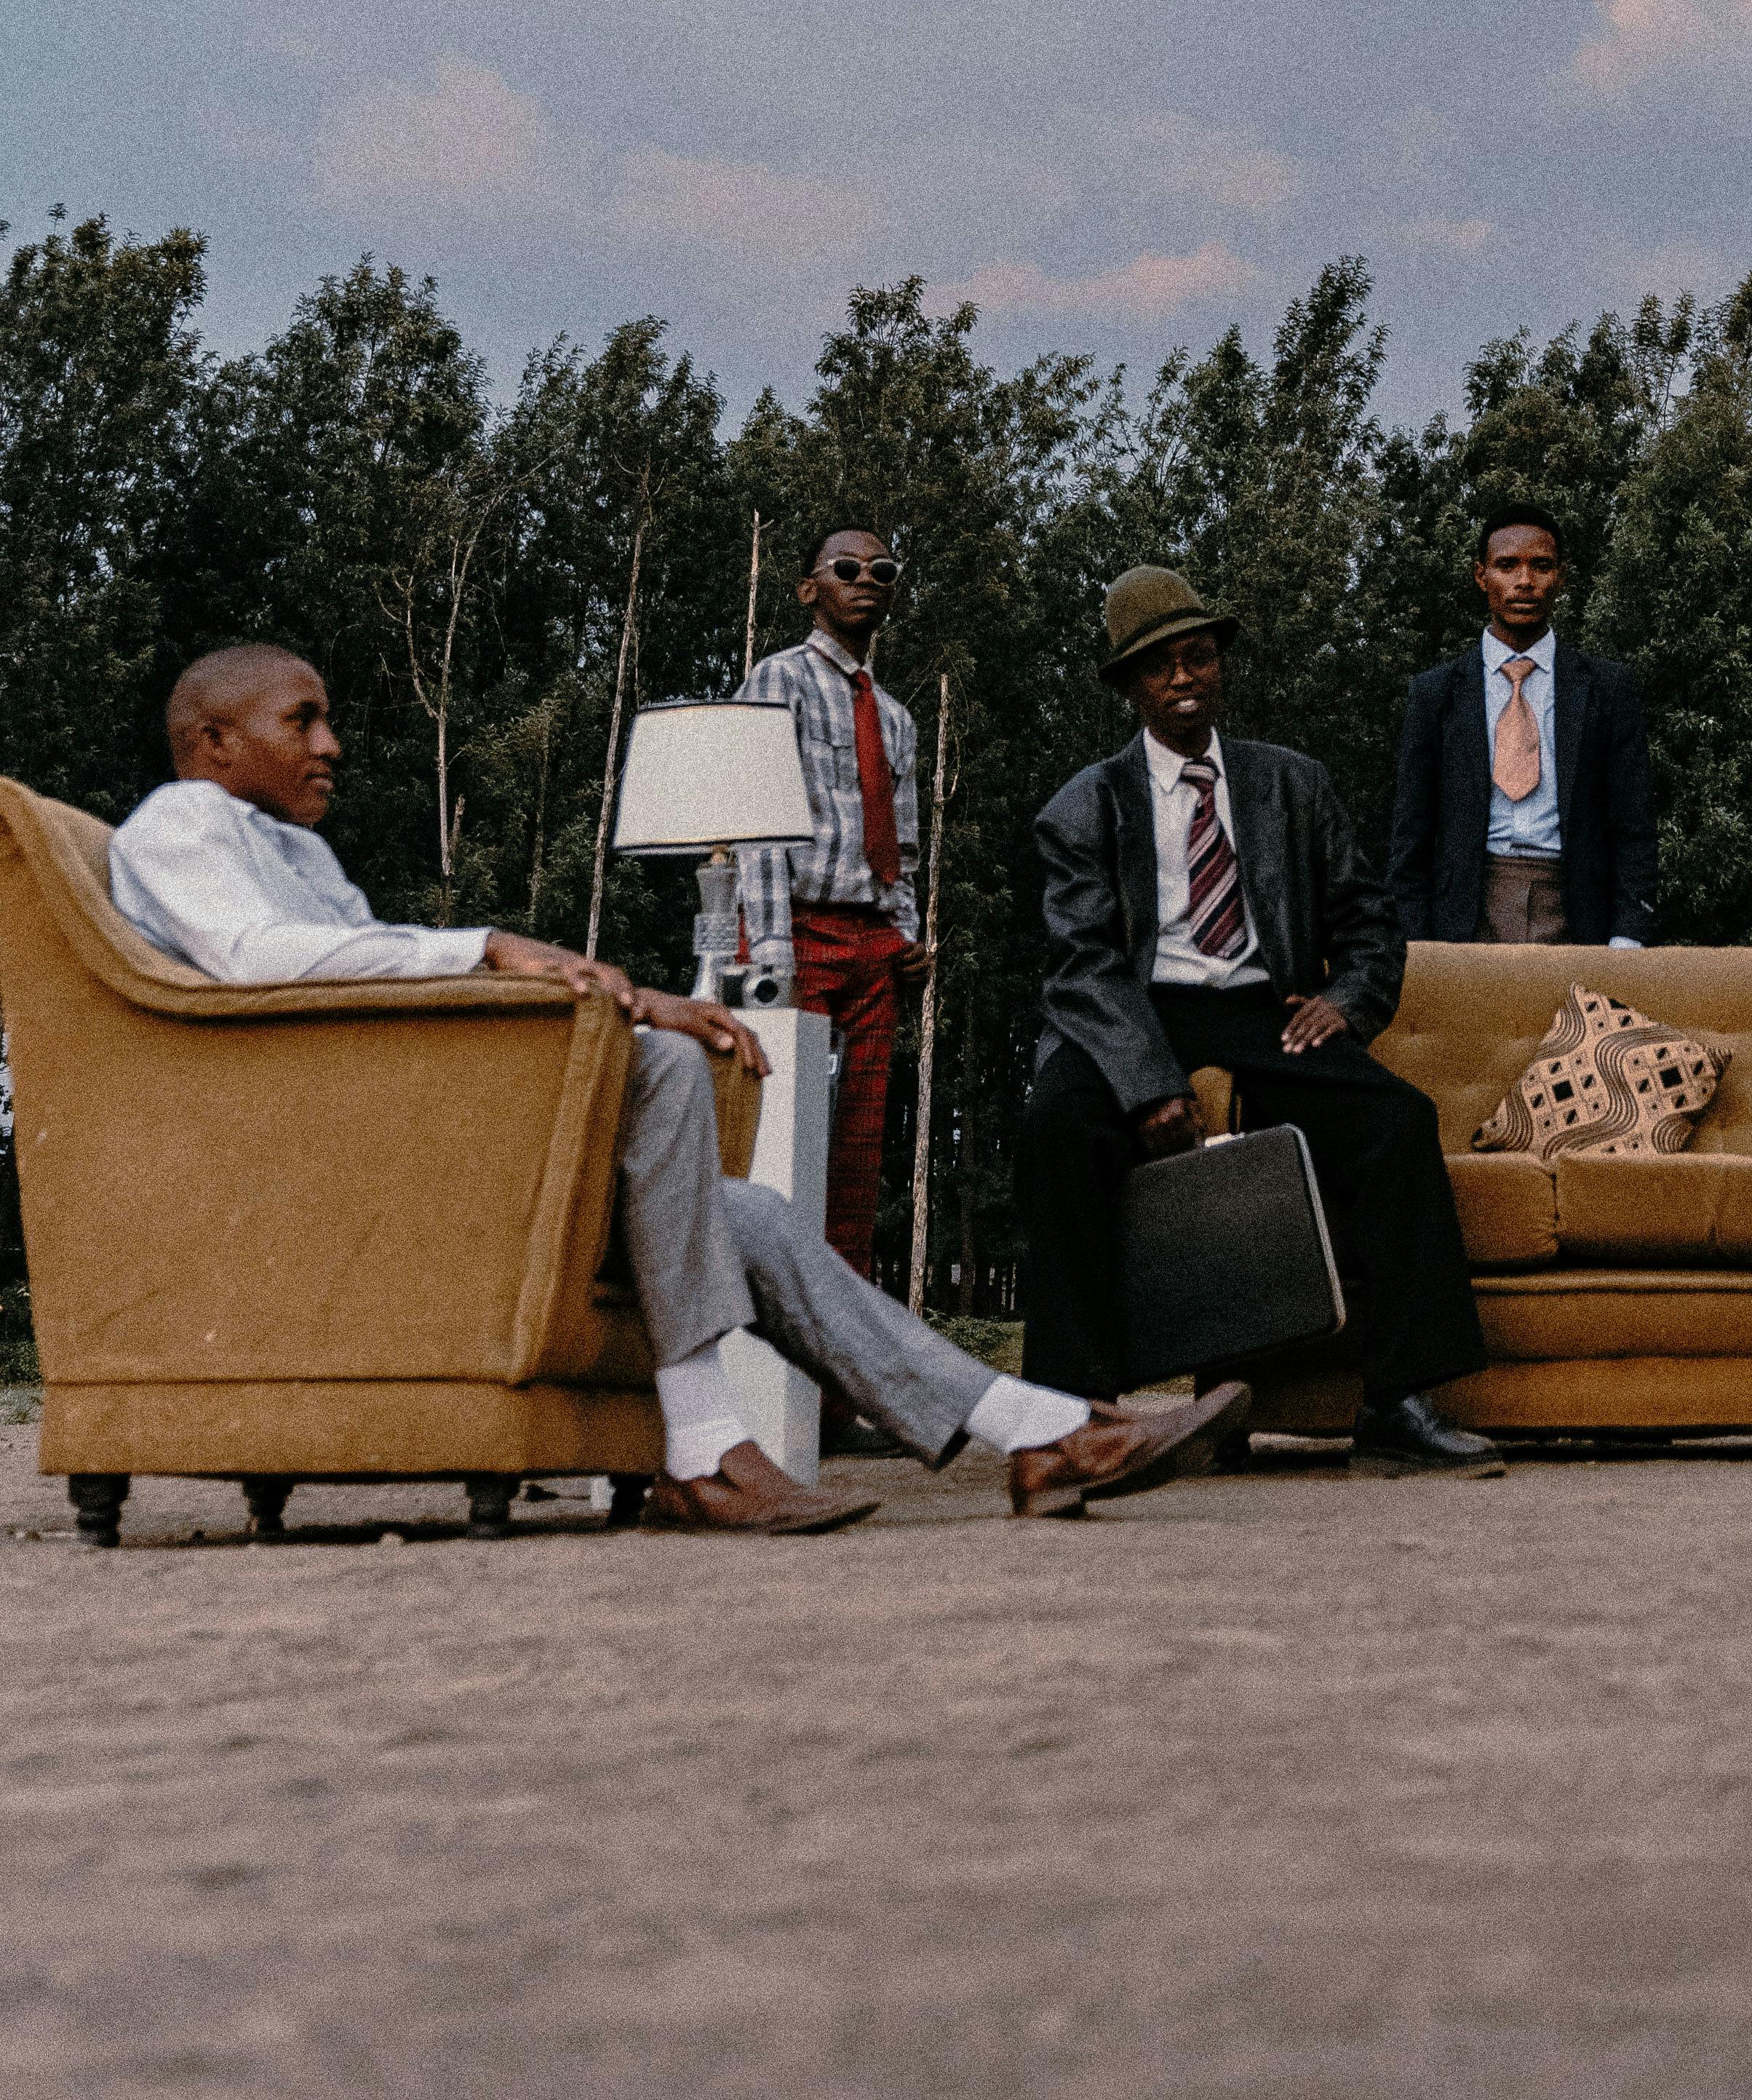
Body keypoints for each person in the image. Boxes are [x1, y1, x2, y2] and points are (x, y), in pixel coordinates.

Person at [110, 643, 1238, 1532]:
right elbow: (262, 965)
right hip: (334, 1164)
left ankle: (1035, 1432)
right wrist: (498, 946)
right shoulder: (181, 823)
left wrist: (636, 992)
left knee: (740, 1200)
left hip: (393, 1137)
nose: (332, 743)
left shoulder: (293, 850)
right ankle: (705, 1455)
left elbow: (360, 977)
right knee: (654, 1073)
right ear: (210, 740)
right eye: (299, 719)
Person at [1022, 567, 1503, 1474]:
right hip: (1135, 1008)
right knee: (1057, 1126)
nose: (1183, 677)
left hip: (1261, 1007)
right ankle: (1074, 1417)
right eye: (1158, 666)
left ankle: (1398, 1402)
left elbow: (1369, 922)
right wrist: (1149, 1082)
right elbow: (1083, 961)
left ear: (1219, 664)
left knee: (1396, 1123)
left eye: (1197, 655)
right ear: (1130, 685)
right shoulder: (1084, 803)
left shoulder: (1294, 785)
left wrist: (1346, 1000)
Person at [734, 525, 920, 1289]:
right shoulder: (778, 680)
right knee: (783, 1145)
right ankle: (771, 1354)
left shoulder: (897, 717)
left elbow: (903, 843)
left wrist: (905, 935)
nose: (865, 579)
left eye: (882, 569)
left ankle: (840, 1385)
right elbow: (757, 823)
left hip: (872, 948)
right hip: (796, 935)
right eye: (846, 568)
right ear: (812, 589)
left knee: (856, 1160)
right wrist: (771, 955)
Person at [1387, 504, 1659, 949]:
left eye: (1541, 566)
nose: (1525, 581)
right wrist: (1415, 943)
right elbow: (1410, 837)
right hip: (1466, 911)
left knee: (1575, 1023)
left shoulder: (1607, 688)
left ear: (1561, 577)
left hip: (1577, 908)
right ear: (1481, 576)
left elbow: (1634, 827)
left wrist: (1627, 936)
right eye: (1507, 565)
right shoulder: (1435, 693)